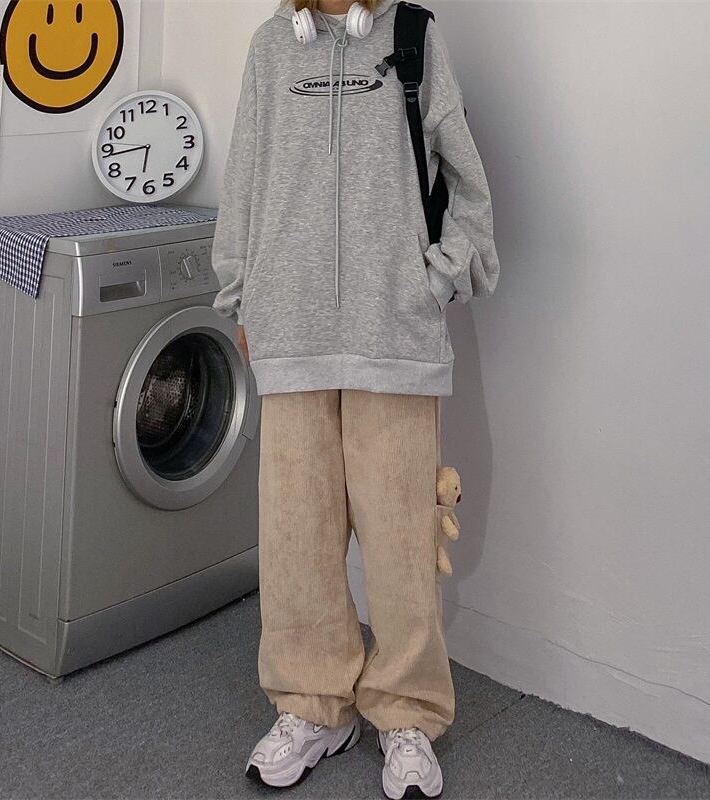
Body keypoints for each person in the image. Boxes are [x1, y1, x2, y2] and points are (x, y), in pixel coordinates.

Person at [211, 0, 500, 796]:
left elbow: (467, 180)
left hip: (392, 331)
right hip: (291, 325)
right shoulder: (272, 47)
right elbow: (245, 177)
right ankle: (313, 704)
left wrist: (439, 275)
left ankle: (407, 713)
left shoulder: (414, 36)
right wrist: (242, 295)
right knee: (295, 534)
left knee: (402, 535)